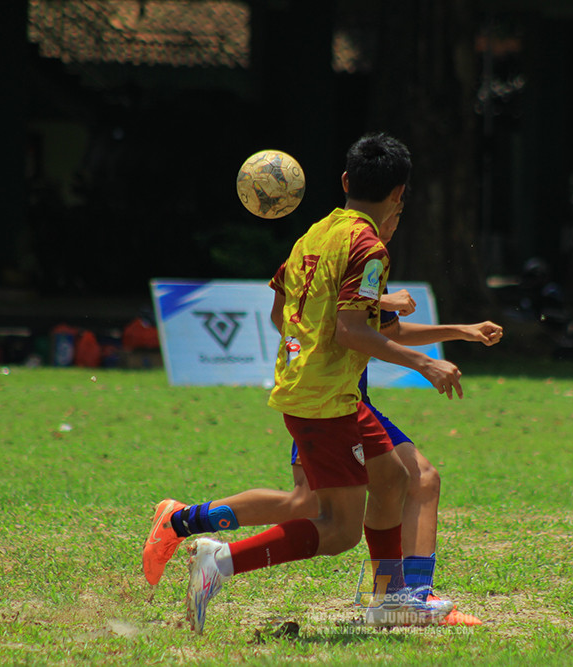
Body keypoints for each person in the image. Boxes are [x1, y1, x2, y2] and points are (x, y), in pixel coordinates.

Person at [144, 133, 466, 634]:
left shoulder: (314, 235)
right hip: (326, 400)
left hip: (321, 390)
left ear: (344, 181)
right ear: (398, 194)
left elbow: (282, 313)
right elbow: (351, 330)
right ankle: (218, 562)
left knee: (398, 478)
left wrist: (327, 339)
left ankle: (392, 598)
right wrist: (425, 364)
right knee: (337, 528)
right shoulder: (370, 246)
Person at [142, 280, 502, 627]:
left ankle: (408, 599)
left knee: (410, 481)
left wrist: (460, 330)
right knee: (323, 510)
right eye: (394, 214)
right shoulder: (348, 248)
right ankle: (191, 529)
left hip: (349, 398)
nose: (393, 222)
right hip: (327, 397)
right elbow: (305, 319)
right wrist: (382, 308)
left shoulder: (364, 251)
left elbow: (384, 334)